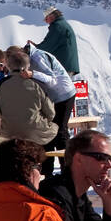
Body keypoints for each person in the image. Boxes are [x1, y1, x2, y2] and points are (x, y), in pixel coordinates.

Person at [26, 44, 77, 176]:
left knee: (60, 131)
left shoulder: (37, 58)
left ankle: (67, 169)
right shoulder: (32, 58)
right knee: (48, 130)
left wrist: (33, 74)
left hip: (63, 94)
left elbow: (51, 79)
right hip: (54, 96)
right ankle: (48, 169)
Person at [0, 47, 58, 148]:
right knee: (54, 128)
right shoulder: (37, 84)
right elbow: (51, 113)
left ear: (9, 66)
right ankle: (47, 162)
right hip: (33, 131)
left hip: (8, 131)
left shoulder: (1, 85)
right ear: (28, 66)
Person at [29, 8, 80, 77]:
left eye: (46, 19)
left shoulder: (57, 26)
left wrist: (33, 47)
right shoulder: (63, 25)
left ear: (51, 16)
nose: (46, 22)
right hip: (68, 66)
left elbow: (47, 46)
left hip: (63, 67)